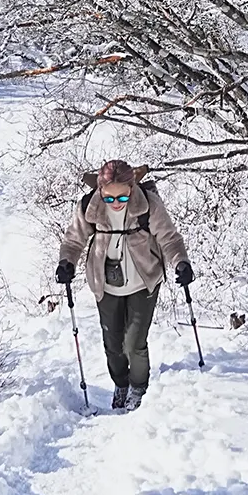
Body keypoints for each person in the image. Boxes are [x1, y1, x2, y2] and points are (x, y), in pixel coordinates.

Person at [56, 159, 194, 410]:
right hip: (105, 284)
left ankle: (139, 388)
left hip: (144, 280)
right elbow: (73, 240)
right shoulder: (90, 206)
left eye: (122, 197)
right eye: (109, 198)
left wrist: (181, 263)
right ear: (100, 190)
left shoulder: (148, 204)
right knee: (113, 343)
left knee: (134, 342)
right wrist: (67, 263)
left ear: (132, 188)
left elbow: (169, 237)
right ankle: (121, 383)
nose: (116, 203)